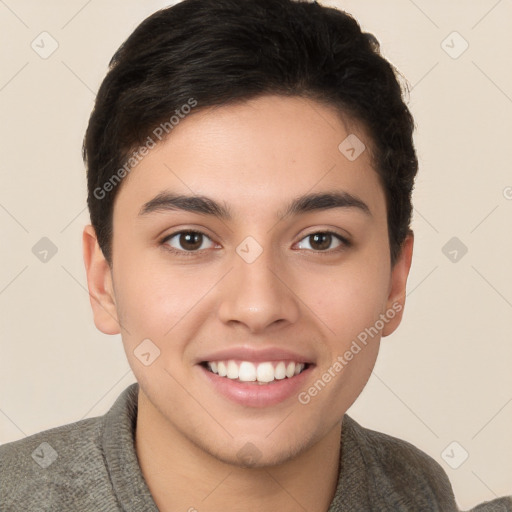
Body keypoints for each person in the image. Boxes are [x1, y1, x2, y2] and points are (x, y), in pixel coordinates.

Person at [1, 0, 510, 510]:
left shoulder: (421, 492)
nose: (258, 306)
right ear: (102, 279)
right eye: (190, 240)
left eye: (320, 240)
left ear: (395, 281)